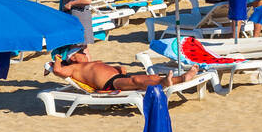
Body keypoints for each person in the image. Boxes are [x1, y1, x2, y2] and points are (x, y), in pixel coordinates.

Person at [48, 45, 199, 92]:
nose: (84, 52)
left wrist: (117, 68)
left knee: (140, 77)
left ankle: (170, 80)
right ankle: (175, 80)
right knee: (137, 80)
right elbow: (58, 71)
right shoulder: (74, 68)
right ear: (73, 57)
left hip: (117, 78)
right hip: (110, 84)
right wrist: (57, 59)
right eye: (81, 52)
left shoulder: (88, 63)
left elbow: (105, 69)